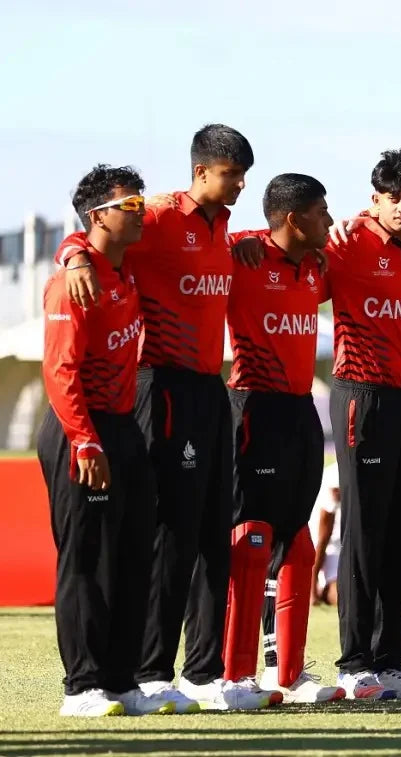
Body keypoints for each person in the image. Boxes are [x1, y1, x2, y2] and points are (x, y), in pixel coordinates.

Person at [53, 125, 268, 712]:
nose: (240, 185)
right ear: (201, 172)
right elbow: (88, 231)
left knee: (210, 533)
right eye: (231, 175)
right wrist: (70, 253)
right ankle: (149, 670)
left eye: (244, 175)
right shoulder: (153, 215)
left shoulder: (225, 225)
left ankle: (203, 672)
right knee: (169, 534)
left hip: (210, 388)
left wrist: (247, 237)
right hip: (159, 387)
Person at [40, 165, 176, 716]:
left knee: (132, 551)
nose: (142, 214)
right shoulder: (73, 279)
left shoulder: (126, 266)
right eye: (131, 206)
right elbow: (59, 371)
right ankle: (82, 686)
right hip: (81, 427)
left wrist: (73, 245)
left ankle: (121, 680)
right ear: (98, 217)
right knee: (86, 558)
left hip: (123, 426)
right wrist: (85, 441)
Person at [321, 147, 401, 700]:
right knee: (363, 534)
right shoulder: (346, 245)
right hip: (359, 396)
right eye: (393, 198)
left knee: (399, 533)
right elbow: (286, 245)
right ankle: (354, 665)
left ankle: (390, 661)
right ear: (374, 199)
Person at [221, 174, 345, 704]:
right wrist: (73, 254)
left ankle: (289, 675)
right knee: (251, 539)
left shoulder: (318, 267)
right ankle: (233, 675)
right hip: (254, 407)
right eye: (321, 211)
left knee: (298, 539)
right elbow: (188, 233)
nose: (331, 220)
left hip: (300, 413)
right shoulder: (241, 257)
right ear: (293, 219)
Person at [310, 464, 342, 607]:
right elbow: (323, 538)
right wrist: (312, 586)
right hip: (328, 552)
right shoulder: (335, 477)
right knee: (346, 596)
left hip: (345, 548)